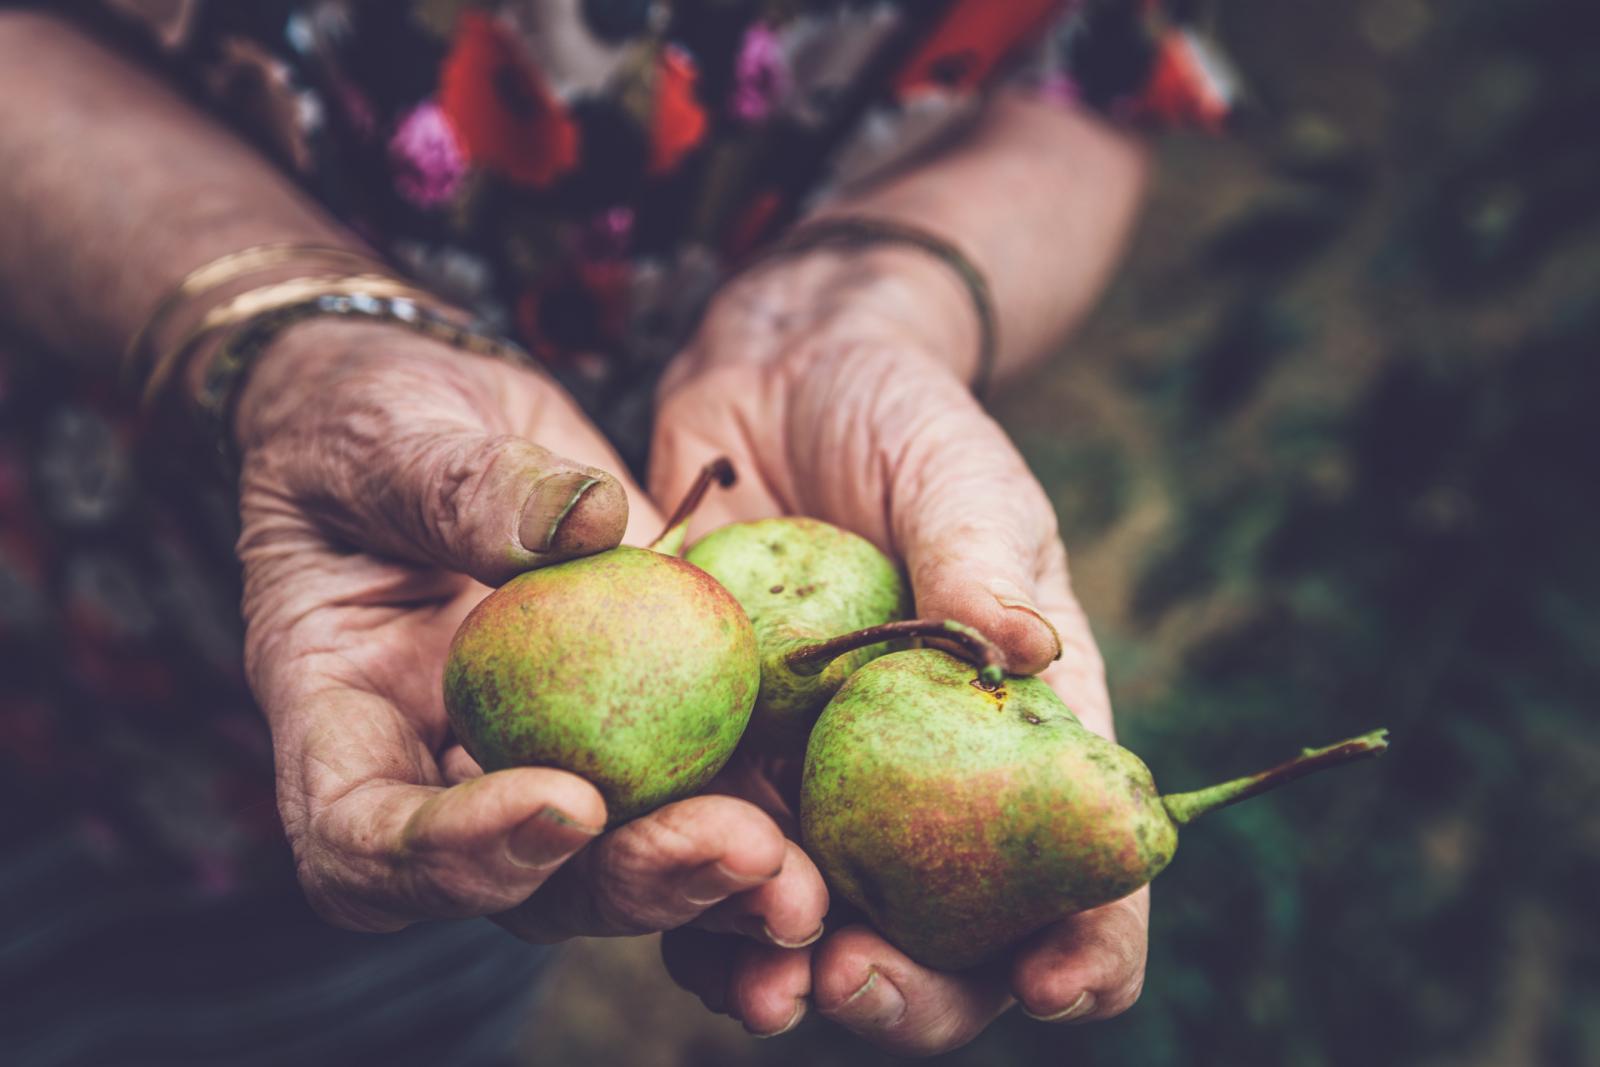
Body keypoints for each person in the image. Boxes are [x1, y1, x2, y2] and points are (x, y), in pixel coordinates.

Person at [0, 2, 1232, 1060]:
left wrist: (868, 305)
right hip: (107, 571)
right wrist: (284, 333)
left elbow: (1094, 72)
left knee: (423, 933)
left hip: (447, 785)